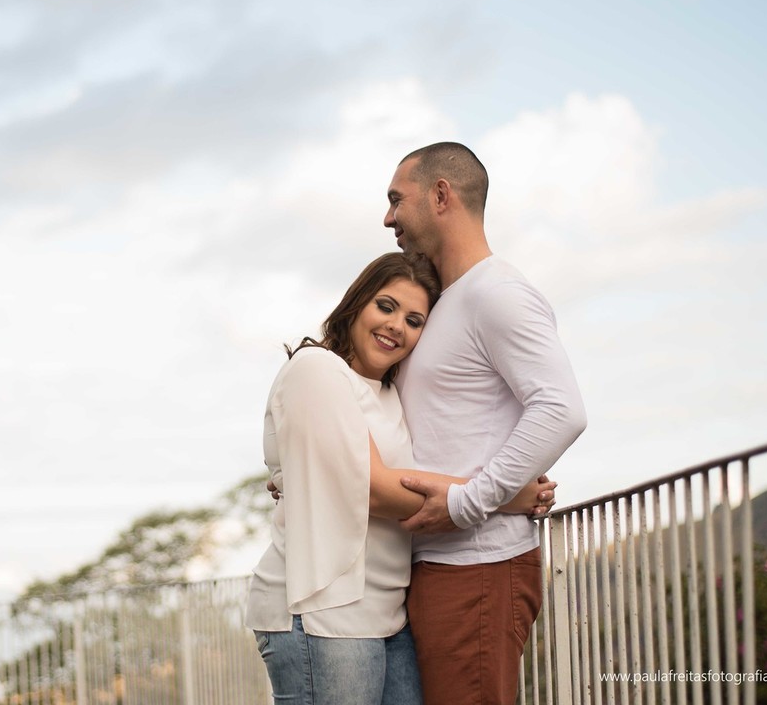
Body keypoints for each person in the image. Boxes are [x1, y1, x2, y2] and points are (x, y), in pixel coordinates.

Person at [245, 252, 556, 705]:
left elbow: (397, 474)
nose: (397, 326)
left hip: (386, 614)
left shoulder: (390, 392)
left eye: (414, 320)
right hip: (319, 610)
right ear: (356, 304)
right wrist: (504, 495)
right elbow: (373, 487)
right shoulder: (317, 368)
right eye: (386, 307)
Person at [383, 142, 587, 705]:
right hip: (436, 565)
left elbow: (561, 408)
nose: (388, 217)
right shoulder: (447, 301)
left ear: (440, 195)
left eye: (397, 199)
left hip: (477, 566)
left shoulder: (497, 292)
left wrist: (470, 501)